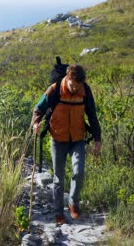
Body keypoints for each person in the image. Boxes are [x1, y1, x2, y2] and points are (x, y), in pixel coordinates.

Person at [31, 64, 102, 224]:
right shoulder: (55, 89)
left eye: (78, 86)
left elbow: (92, 115)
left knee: (79, 171)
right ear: (67, 78)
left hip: (77, 139)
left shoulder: (85, 91)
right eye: (73, 85)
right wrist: (36, 123)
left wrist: (97, 138)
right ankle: (58, 213)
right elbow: (38, 108)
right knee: (58, 178)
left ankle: (73, 202)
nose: (75, 88)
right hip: (58, 138)